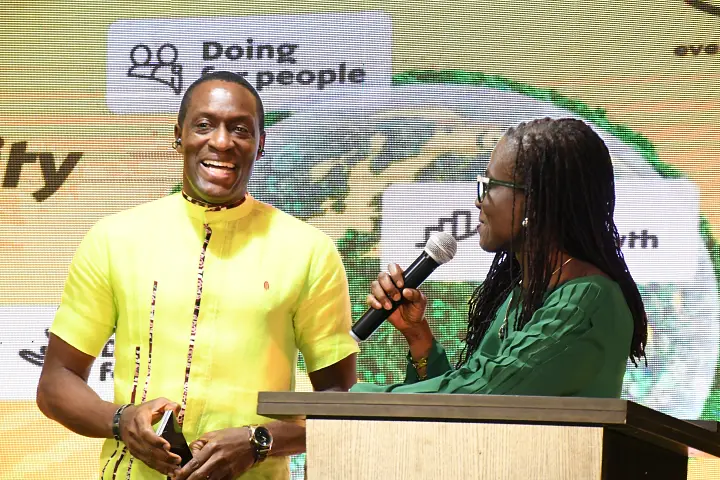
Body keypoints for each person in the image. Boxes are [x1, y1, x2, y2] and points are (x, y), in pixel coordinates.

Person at [36, 71, 359, 480]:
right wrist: (121, 421)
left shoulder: (309, 251)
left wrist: (258, 442)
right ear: (179, 136)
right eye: (204, 125)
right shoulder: (115, 238)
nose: (221, 142)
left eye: (240, 129)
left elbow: (341, 406)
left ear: (260, 145)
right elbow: (56, 382)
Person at [351, 117, 647, 397]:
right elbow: (469, 403)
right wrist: (417, 335)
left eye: (490, 186)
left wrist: (346, 397)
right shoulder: (522, 293)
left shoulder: (585, 300)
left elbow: (483, 394)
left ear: (535, 202)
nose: (478, 201)